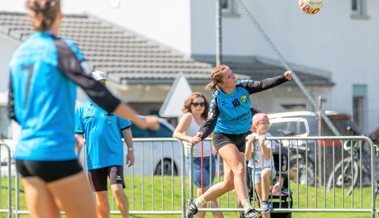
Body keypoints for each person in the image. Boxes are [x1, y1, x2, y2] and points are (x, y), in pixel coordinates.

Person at [7, 1, 158, 217]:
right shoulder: (62, 48)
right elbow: (97, 90)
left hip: (26, 155)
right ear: (60, 14)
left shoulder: (20, 53)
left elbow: (13, 111)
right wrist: (140, 120)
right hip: (54, 152)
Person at [186, 64, 292, 218]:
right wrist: (200, 134)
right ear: (221, 84)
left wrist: (283, 78)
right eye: (229, 76)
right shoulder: (218, 99)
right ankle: (247, 208)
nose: (233, 76)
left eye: (232, 73)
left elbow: (262, 84)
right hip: (223, 136)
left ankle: (196, 203)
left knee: (229, 183)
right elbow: (210, 121)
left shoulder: (243, 87)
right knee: (240, 169)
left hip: (241, 136)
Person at [75, 71, 135, 218]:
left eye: (103, 83)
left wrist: (130, 150)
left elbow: (126, 129)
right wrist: (77, 147)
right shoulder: (81, 109)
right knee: (101, 198)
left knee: (116, 190)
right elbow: (78, 134)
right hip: (94, 159)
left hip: (113, 156)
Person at [173, 92, 223, 218]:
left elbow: (213, 134)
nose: (199, 106)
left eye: (202, 104)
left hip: (209, 158)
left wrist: (216, 145)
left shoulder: (207, 118)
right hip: (194, 160)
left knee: (203, 192)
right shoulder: (188, 116)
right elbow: (176, 133)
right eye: (195, 104)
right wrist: (191, 139)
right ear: (190, 105)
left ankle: (196, 210)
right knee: (208, 192)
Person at [245, 113, 276, 217]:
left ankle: (265, 202)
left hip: (268, 169)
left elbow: (267, 157)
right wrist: (249, 143)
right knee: (262, 203)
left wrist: (262, 144)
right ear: (256, 125)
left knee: (264, 174)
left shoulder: (269, 137)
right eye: (263, 123)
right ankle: (265, 205)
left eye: (268, 123)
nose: (266, 125)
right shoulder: (251, 137)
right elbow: (248, 157)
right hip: (255, 170)